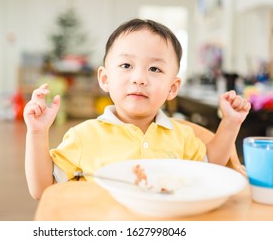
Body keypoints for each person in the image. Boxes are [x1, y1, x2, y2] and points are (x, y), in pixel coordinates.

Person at [24, 18, 251, 199]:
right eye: (126, 65)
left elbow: (210, 165)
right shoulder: (84, 136)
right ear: (105, 78)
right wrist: (37, 133)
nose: (139, 78)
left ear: (172, 88)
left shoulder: (181, 136)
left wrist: (231, 122)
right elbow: (43, 190)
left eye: (154, 69)